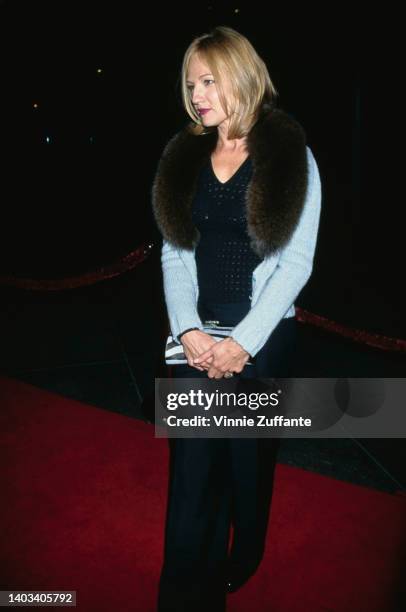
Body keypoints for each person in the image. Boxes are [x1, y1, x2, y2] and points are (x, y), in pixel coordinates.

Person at [152, 25, 321, 611]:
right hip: (195, 335)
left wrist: (243, 342)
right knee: (193, 470)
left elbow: (295, 263)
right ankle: (179, 590)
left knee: (246, 464)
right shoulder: (185, 155)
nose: (197, 93)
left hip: (262, 335)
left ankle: (243, 554)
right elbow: (175, 251)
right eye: (191, 82)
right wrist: (188, 329)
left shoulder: (290, 155)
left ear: (242, 77)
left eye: (209, 79)